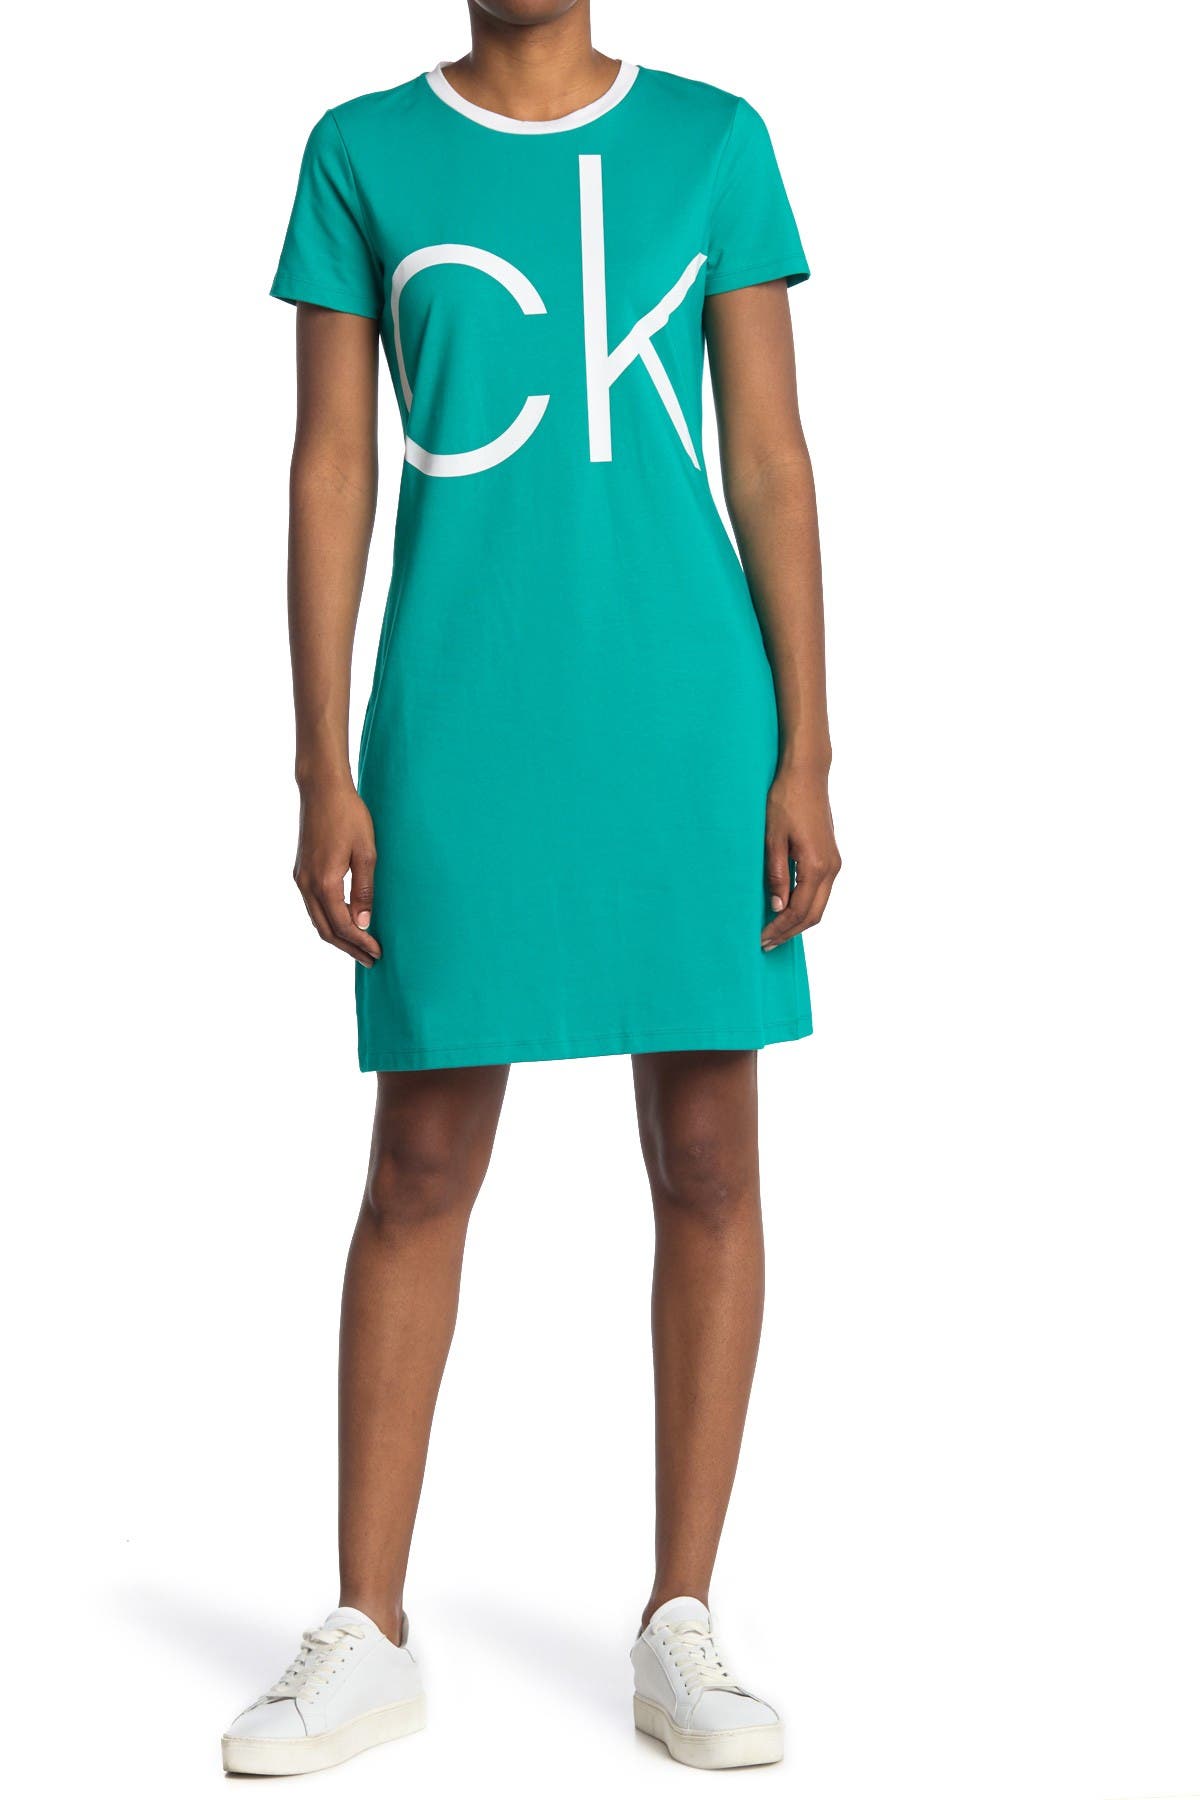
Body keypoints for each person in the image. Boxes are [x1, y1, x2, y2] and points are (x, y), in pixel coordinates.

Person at [222, 0, 839, 1776]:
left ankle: (681, 1620)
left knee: (707, 1153)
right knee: (418, 1163)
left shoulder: (713, 142)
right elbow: (333, 463)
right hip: (461, 709)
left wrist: (806, 746)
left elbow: (768, 455)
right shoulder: (362, 153)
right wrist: (321, 759)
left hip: (685, 717)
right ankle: (367, 1629)